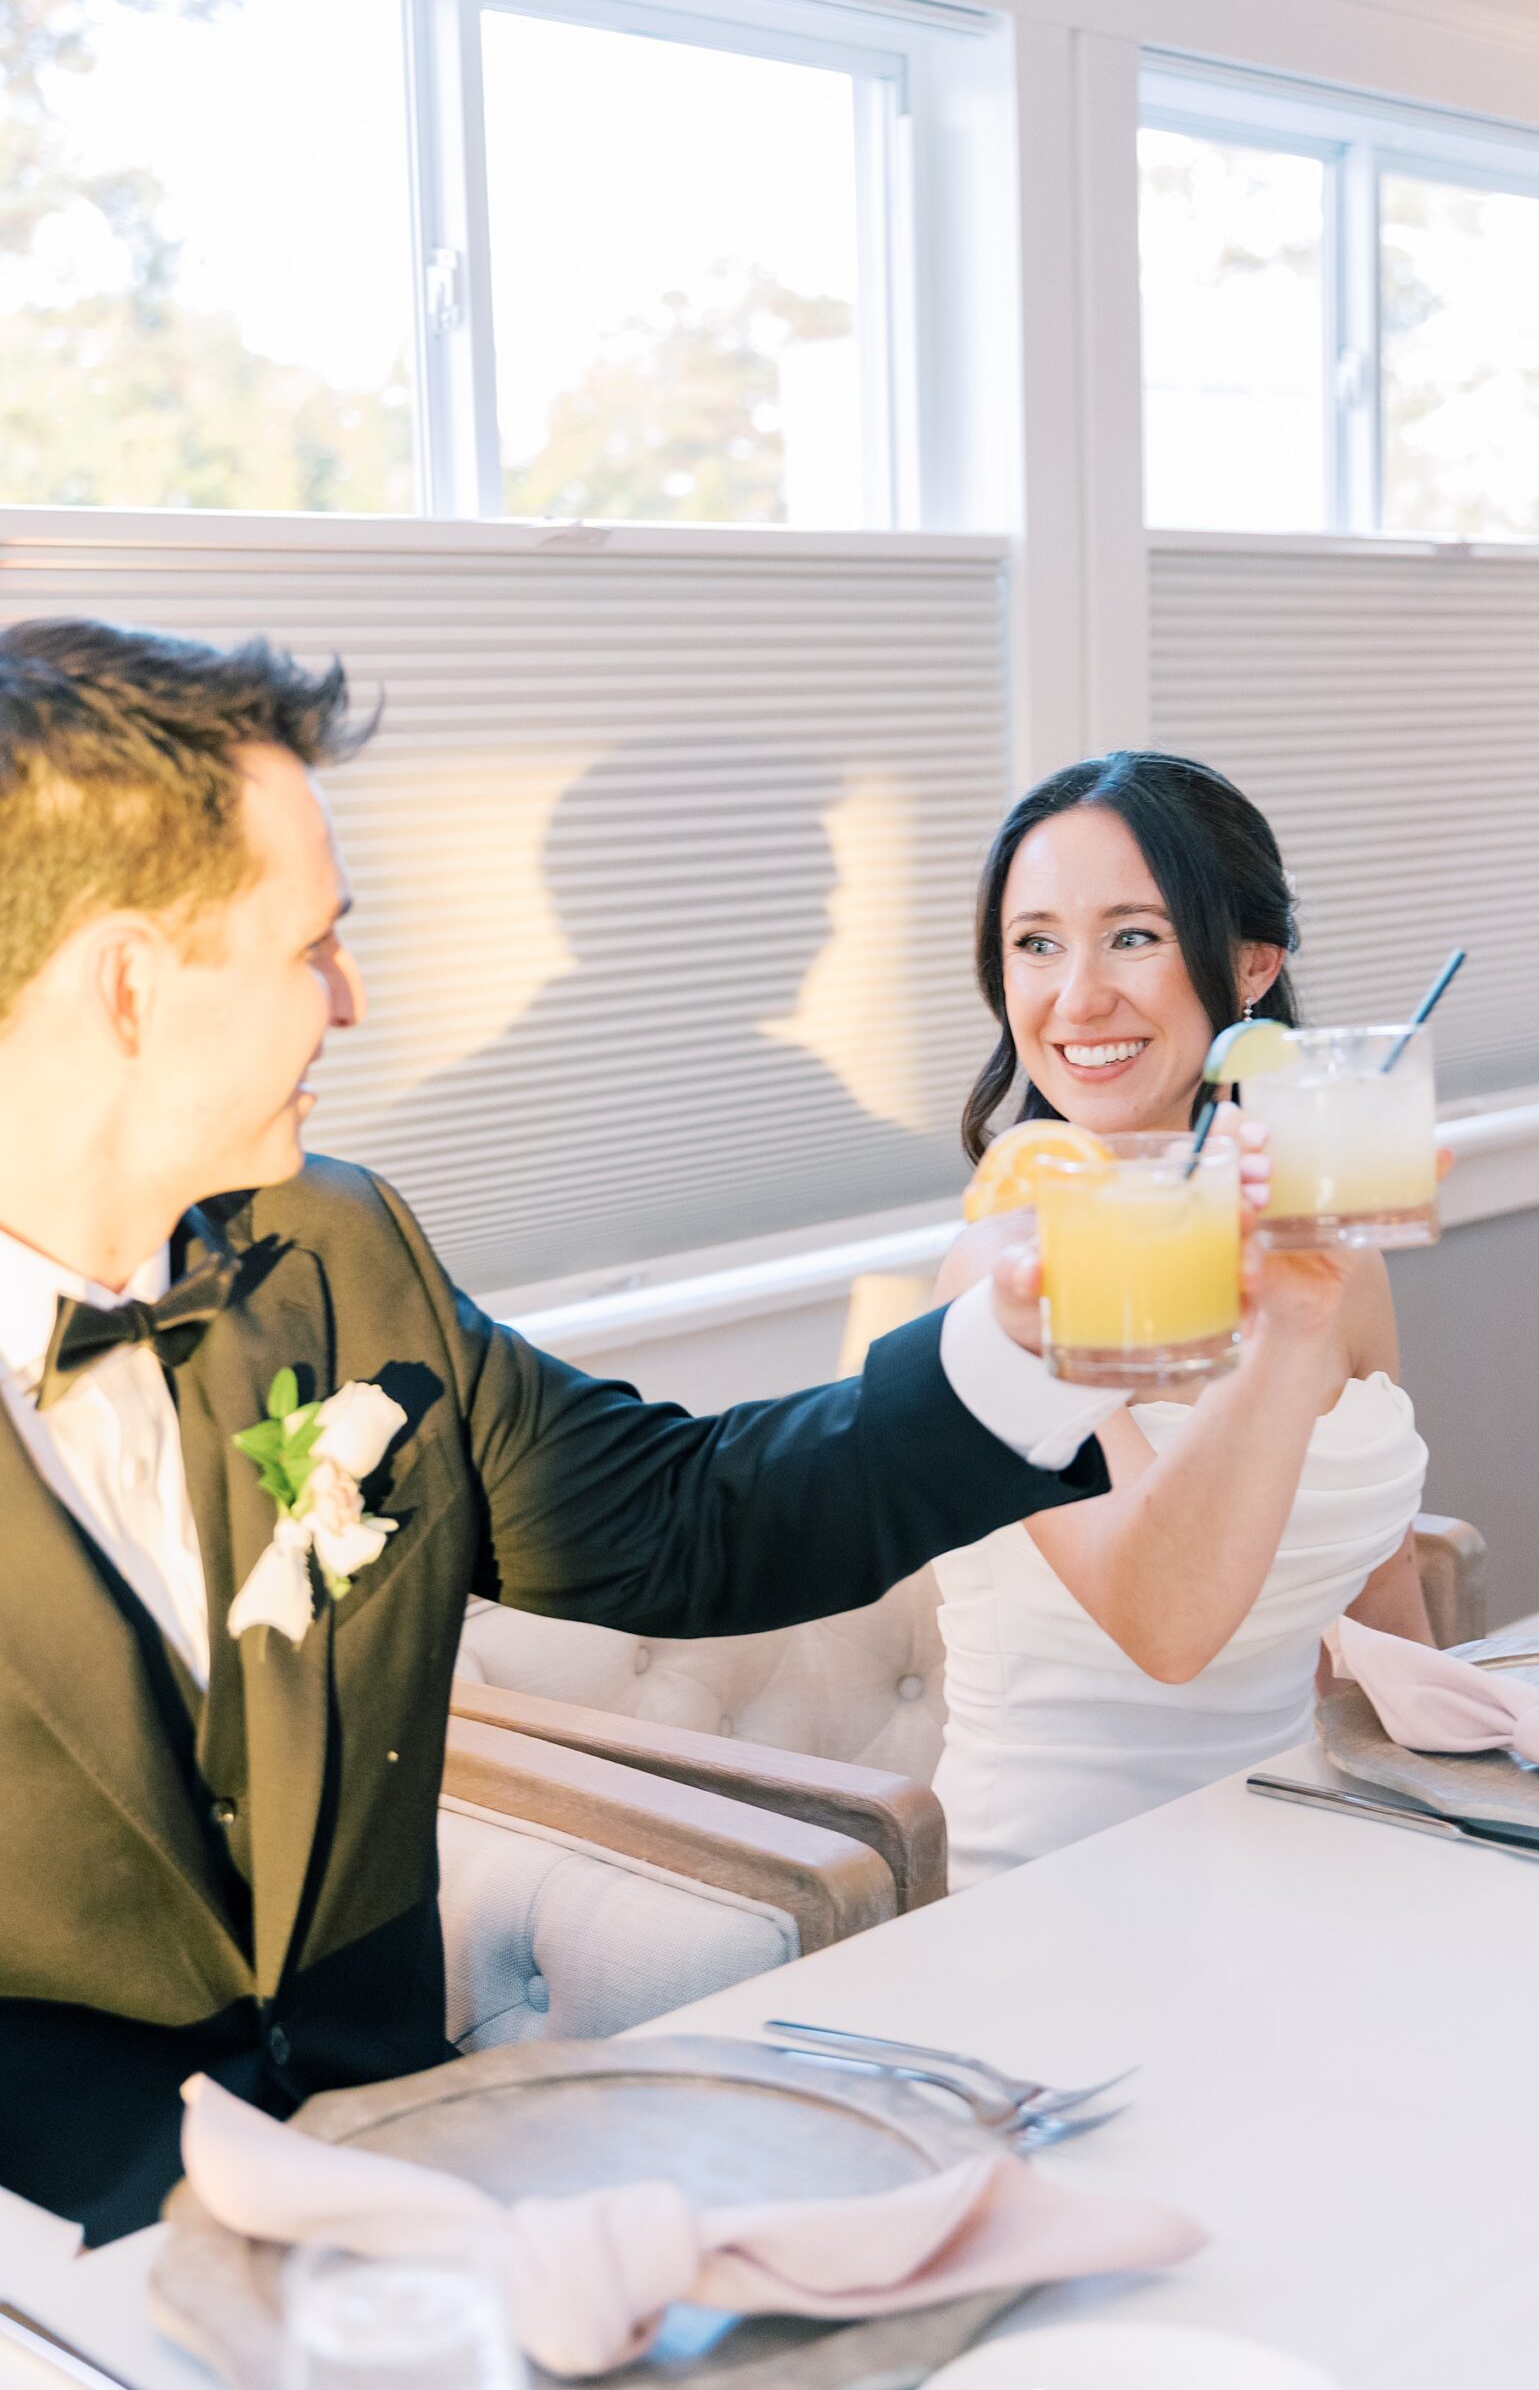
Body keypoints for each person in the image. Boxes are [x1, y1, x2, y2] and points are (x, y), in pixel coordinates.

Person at [0, 618, 1137, 2245]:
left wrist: (1016, 1350)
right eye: (312, 944)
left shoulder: (337, 1252)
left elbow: (689, 1519)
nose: (353, 994)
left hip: (421, 2191)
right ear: (127, 984)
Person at [931, 752, 1432, 1888]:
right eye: (1037, 943)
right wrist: (1288, 1335)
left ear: (1250, 963)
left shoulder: (1329, 1256)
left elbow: (1383, 1596)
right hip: (1053, 1899)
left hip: (1303, 1858)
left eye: (1134, 935)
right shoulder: (1003, 1270)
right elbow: (1163, 1627)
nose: (1078, 997)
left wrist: (1461, 1816)